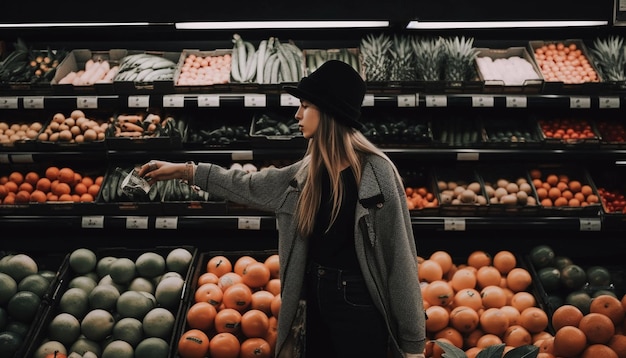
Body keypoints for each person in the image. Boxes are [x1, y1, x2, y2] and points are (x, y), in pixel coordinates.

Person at [138, 60, 426, 358]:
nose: (297, 114)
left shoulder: (377, 174)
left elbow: (400, 257)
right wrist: (186, 171)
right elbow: (249, 184)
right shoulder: (309, 171)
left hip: (358, 300)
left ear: (328, 113)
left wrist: (413, 342)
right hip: (313, 293)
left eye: (305, 106)